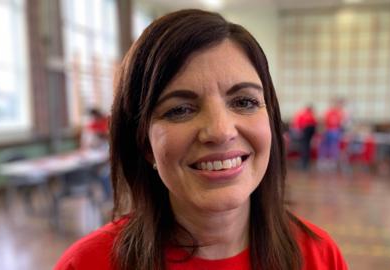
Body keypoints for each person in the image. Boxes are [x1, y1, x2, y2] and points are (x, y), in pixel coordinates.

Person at [55, 9, 347, 270]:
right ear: (145, 144)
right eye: (180, 109)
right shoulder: (85, 264)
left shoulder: (320, 256)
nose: (221, 131)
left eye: (244, 102)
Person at [291, 105, 317, 169]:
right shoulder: (311, 115)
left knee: (304, 147)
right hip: (308, 131)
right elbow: (314, 125)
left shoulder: (303, 114)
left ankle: (304, 164)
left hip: (305, 131)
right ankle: (305, 163)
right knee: (306, 147)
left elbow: (297, 124)